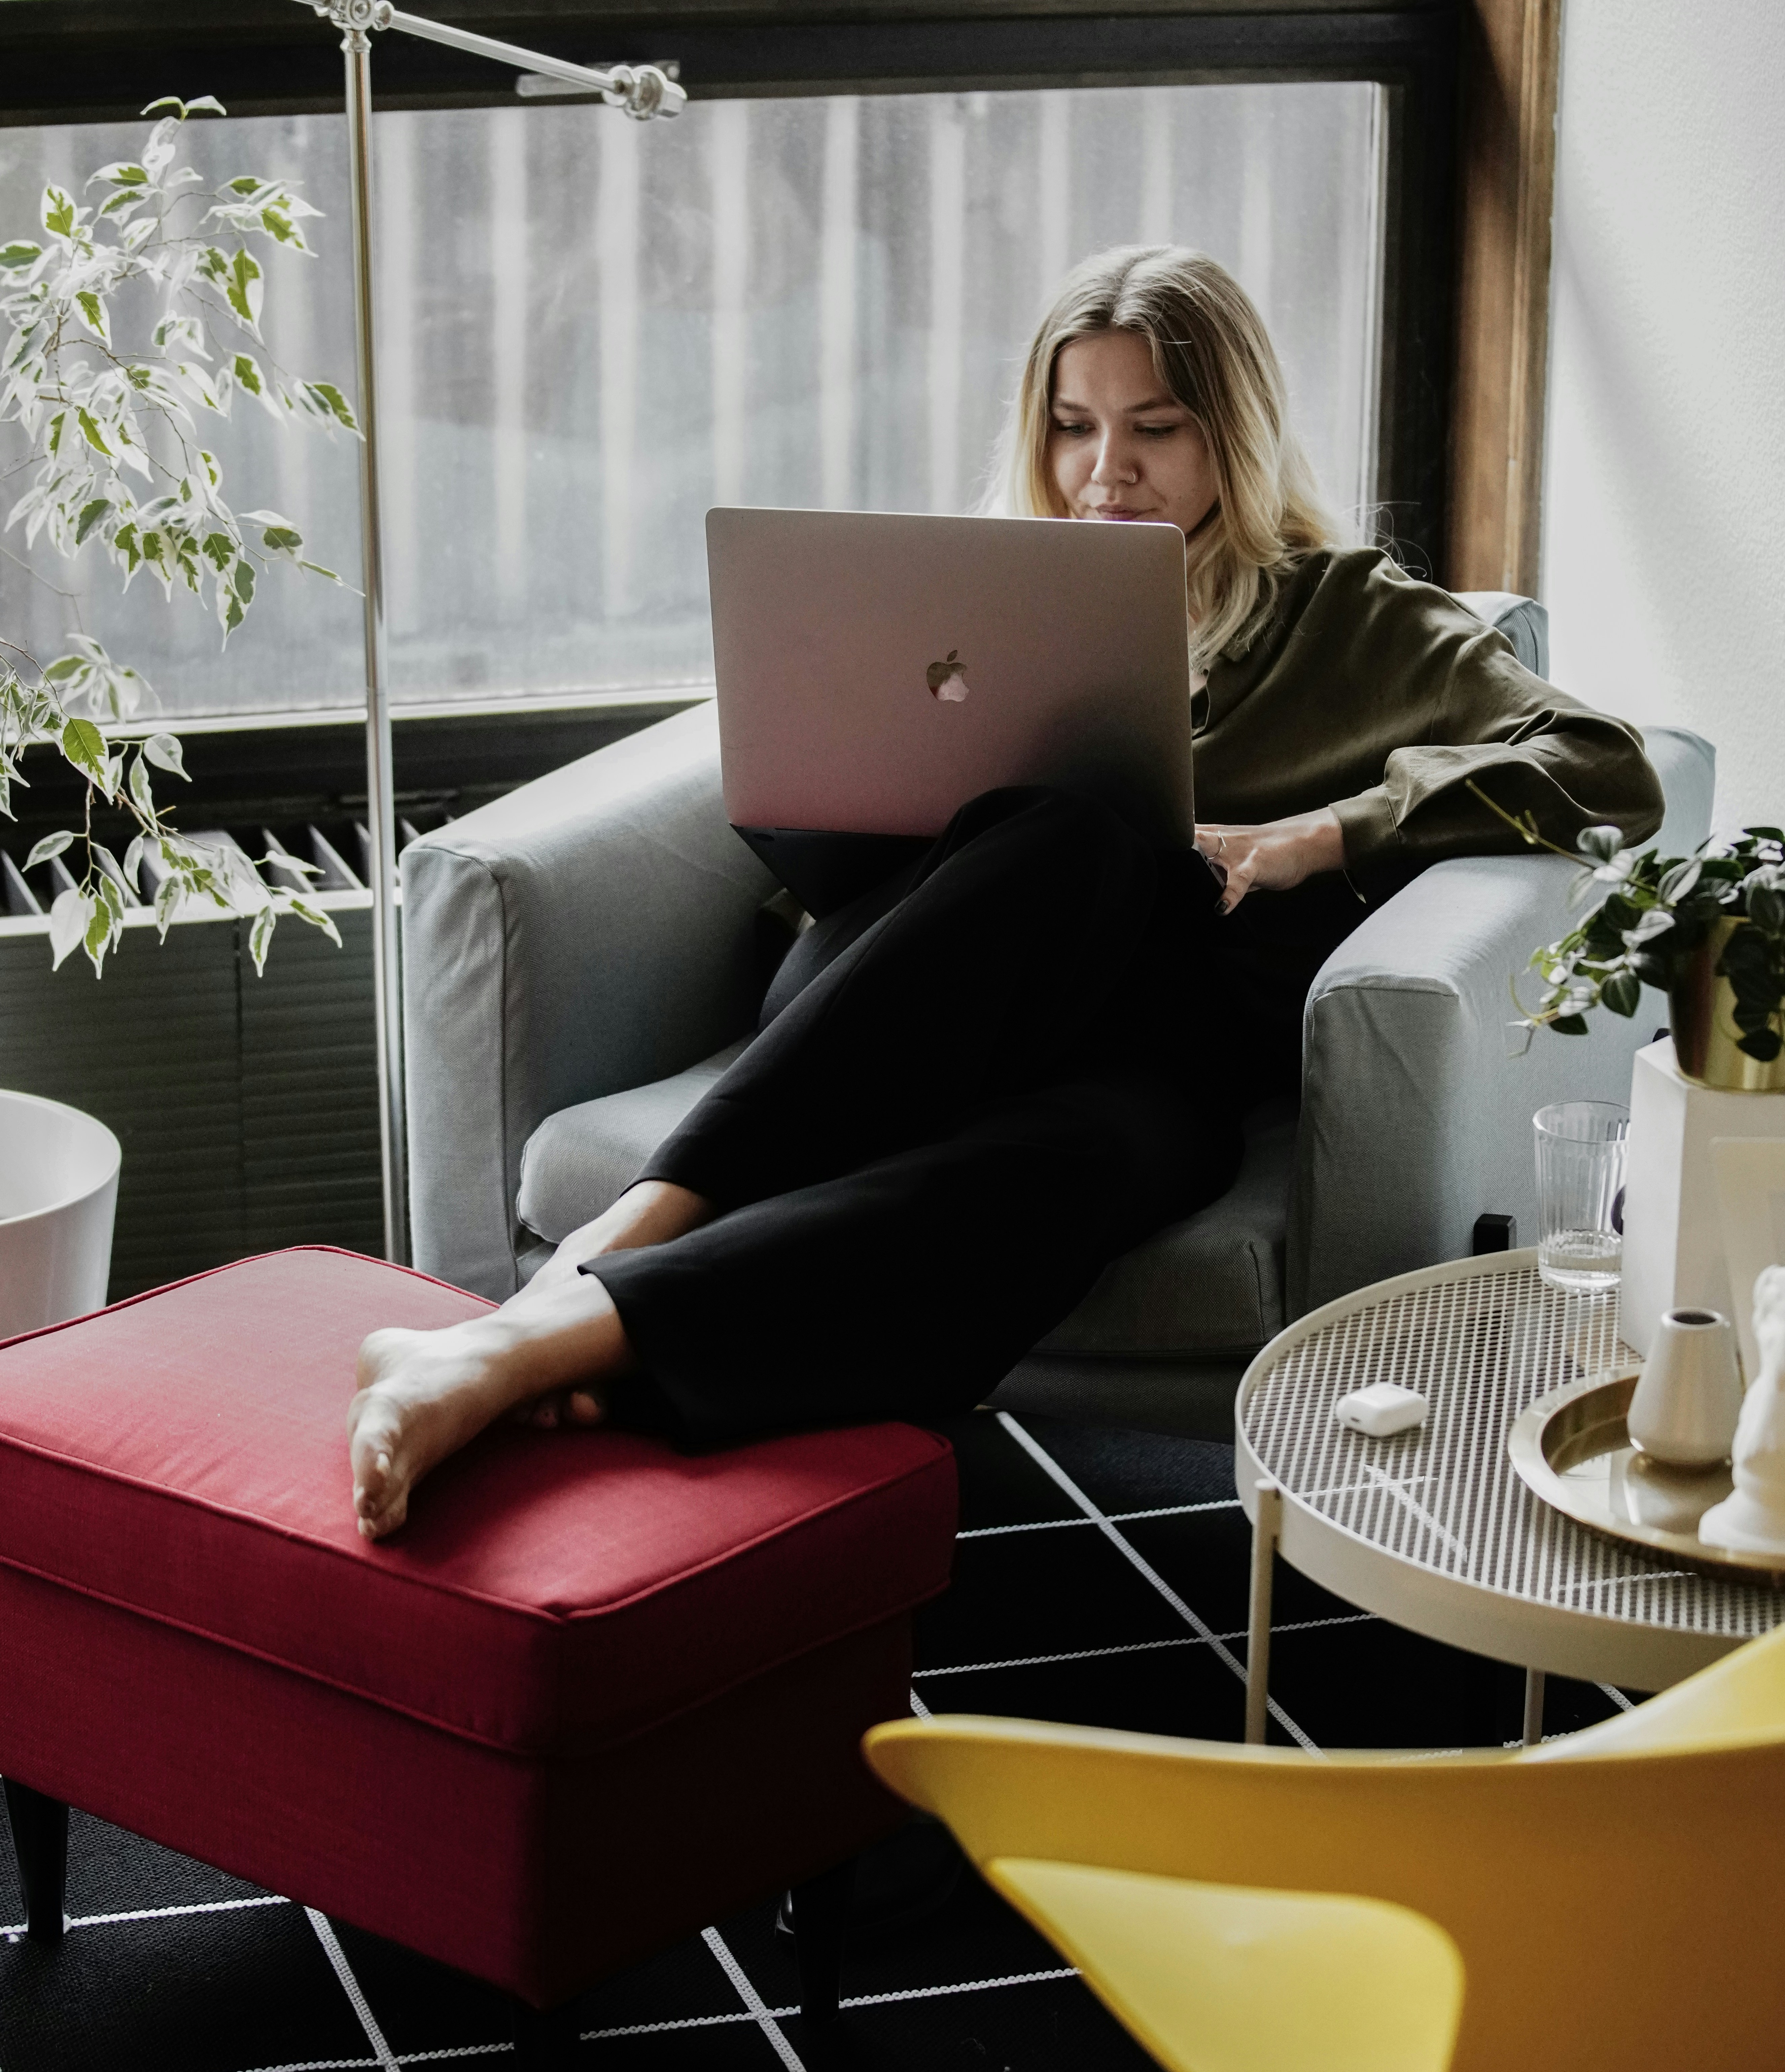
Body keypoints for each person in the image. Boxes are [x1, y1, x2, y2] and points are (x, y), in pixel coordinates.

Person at [346, 244, 1663, 1539]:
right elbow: (825, 816)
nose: (1107, 470)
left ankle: (532, 1353)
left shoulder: (1353, 617)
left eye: (1155, 427)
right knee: (1083, 837)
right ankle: (613, 1247)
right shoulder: (984, 598)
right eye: (1075, 426)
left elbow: (1605, 767)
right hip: (911, 984)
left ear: (1237, 432)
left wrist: (1328, 830)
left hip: (1154, 1053)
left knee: (1091, 1160)